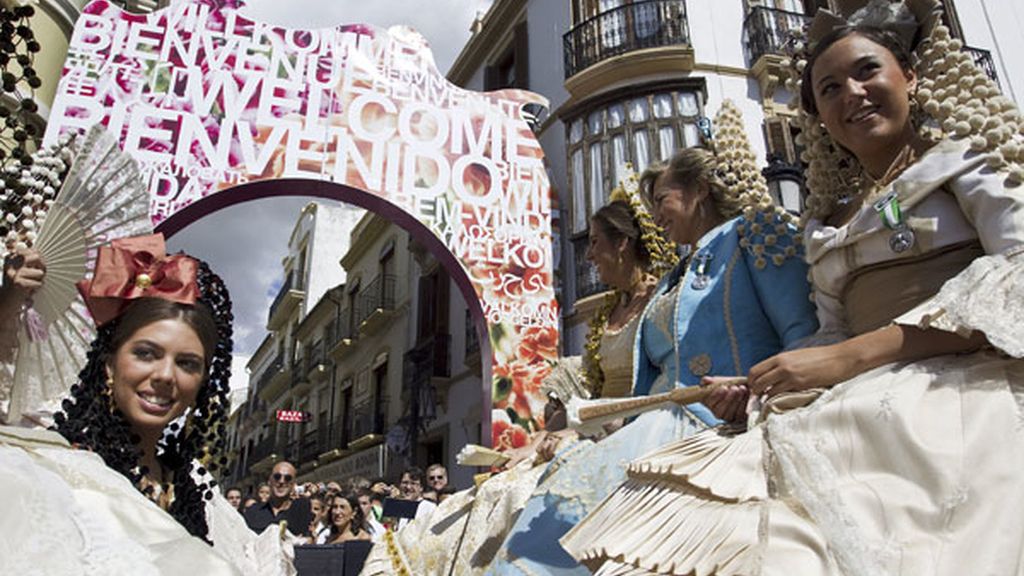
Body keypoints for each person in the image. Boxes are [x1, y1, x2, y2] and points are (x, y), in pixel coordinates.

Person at [562, 3, 1024, 575]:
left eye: (866, 72)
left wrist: (850, 355)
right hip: (846, 399)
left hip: (965, 393)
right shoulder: (829, 222)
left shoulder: (970, 166)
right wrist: (764, 379)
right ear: (819, 115)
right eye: (829, 88)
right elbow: (827, 334)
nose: (851, 94)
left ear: (910, 75)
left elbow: (1016, 284)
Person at [485, 100, 819, 575]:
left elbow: (802, 334)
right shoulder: (672, 278)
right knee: (555, 498)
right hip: (657, 427)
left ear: (699, 190)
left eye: (662, 199)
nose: (656, 216)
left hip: (719, 425)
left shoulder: (753, 234)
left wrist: (755, 394)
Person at [360, 179, 680, 576]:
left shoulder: (662, 304)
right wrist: (542, 442)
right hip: (589, 432)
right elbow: (589, 396)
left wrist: (582, 432)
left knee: (517, 498)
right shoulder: (608, 315)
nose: (591, 253)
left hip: (632, 433)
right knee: (488, 492)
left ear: (623, 244)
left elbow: (658, 390)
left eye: (597, 242)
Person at [0, 234, 294, 575]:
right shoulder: (52, 469)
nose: (165, 375)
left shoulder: (202, 495)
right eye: (146, 354)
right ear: (109, 365)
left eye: (187, 363)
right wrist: (8, 301)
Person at [244, 461, 314, 538]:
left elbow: (307, 538)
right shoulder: (253, 511)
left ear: (293, 484)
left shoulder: (301, 509)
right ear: (269, 481)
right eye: (277, 477)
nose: (281, 481)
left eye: (288, 478)